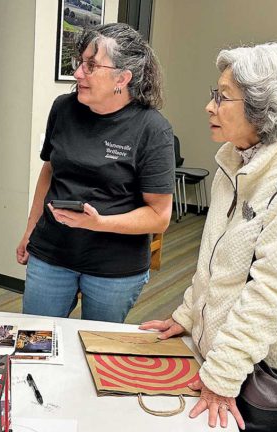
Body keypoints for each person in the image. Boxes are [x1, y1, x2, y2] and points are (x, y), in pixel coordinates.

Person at [140, 43, 277, 432]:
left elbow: (270, 296)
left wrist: (223, 377)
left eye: (223, 96)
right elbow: (214, 264)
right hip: (218, 352)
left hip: (257, 372)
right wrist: (186, 315)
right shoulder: (233, 161)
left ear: (265, 105)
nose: (210, 105)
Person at [17, 23, 175, 323]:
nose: (78, 73)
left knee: (96, 353)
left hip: (114, 268)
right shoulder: (63, 108)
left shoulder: (153, 129)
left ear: (123, 78)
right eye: (80, 63)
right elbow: (49, 170)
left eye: (90, 66)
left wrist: (100, 223)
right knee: (34, 342)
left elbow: (159, 216)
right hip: (51, 253)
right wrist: (30, 229)